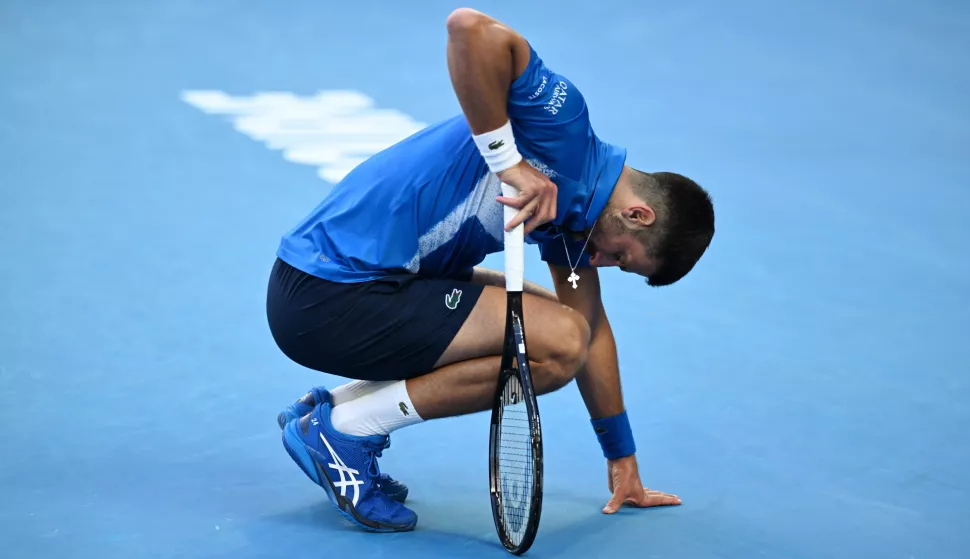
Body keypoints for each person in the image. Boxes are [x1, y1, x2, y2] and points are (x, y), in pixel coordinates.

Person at [266, 8, 715, 532]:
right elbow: (469, 29)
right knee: (555, 338)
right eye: (620, 256)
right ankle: (344, 431)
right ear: (637, 215)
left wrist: (622, 458)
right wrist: (507, 160)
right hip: (327, 294)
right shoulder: (560, 124)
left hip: (365, 291)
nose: (600, 262)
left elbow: (591, 334)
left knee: (558, 320)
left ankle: (333, 408)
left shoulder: (573, 225)